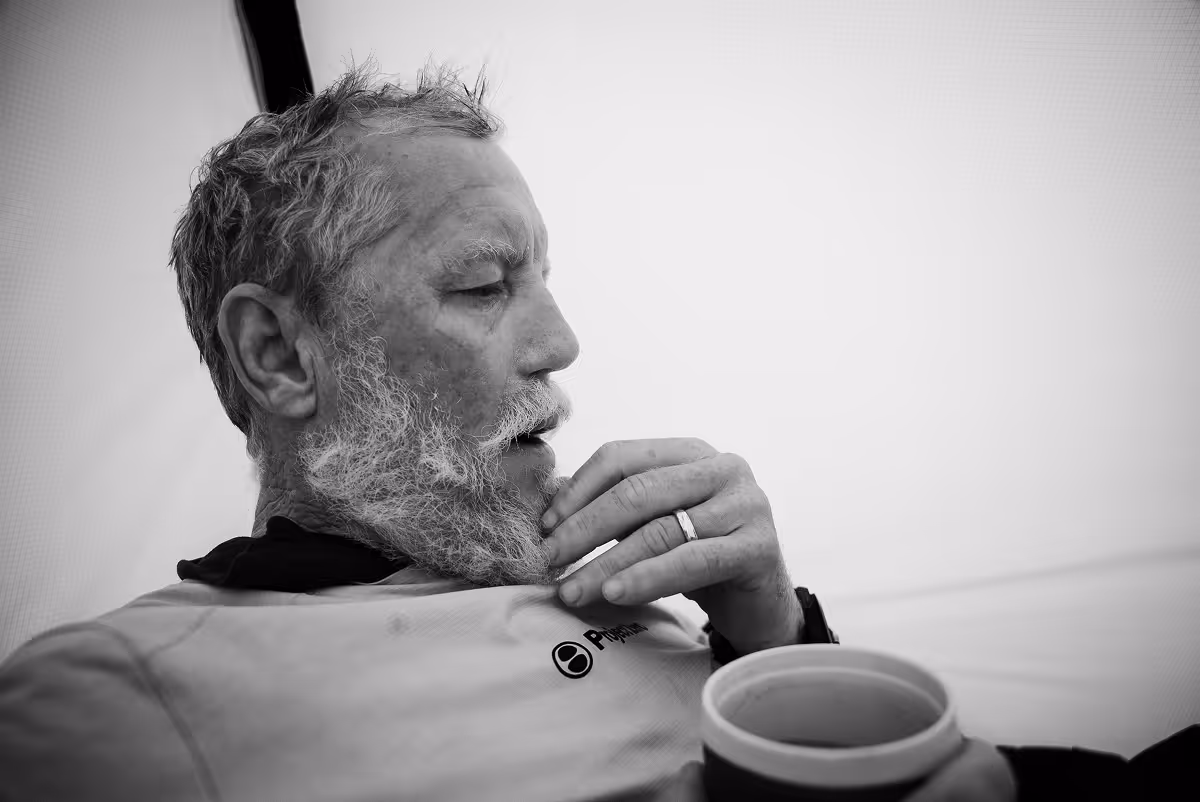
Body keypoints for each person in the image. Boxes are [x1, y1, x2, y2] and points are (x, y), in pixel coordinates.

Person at [0, 59, 1040, 801]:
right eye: (484, 283)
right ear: (277, 354)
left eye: (543, 277)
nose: (562, 341)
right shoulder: (112, 694)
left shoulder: (607, 569)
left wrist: (769, 639)